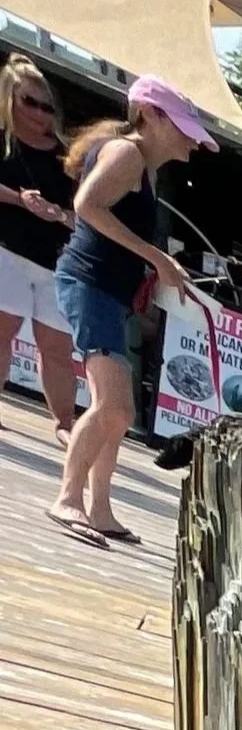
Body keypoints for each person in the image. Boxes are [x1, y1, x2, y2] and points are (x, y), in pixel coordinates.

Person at [51, 75, 210, 549]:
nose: (191, 142)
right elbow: (86, 205)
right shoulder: (127, 154)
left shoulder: (143, 167)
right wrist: (157, 257)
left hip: (107, 293)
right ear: (149, 116)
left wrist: (156, 272)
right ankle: (68, 497)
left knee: (118, 411)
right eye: (182, 128)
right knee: (114, 406)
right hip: (90, 287)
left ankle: (99, 507)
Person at [0, 56, 79, 443]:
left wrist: (58, 214)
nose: (40, 113)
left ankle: (65, 423)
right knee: (2, 331)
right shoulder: (4, 141)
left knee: (57, 347)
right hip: (6, 248)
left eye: (46, 106)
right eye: (29, 102)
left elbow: (86, 212)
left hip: (53, 261)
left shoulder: (67, 155)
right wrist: (20, 199)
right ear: (9, 99)